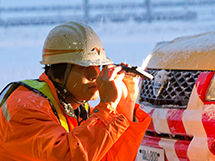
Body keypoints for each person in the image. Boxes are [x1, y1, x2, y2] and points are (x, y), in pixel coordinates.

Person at [0, 21, 151, 161]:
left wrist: (125, 104)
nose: (95, 75)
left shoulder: (74, 106)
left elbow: (106, 157)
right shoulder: (26, 108)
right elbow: (68, 157)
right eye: (84, 67)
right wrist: (107, 107)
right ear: (59, 73)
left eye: (97, 66)